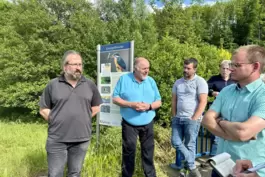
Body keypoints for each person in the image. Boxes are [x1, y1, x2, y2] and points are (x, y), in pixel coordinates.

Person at [202, 45, 265, 177]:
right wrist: (230, 135)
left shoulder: (262, 95)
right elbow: (207, 120)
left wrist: (222, 122)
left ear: (255, 67)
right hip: (220, 165)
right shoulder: (226, 91)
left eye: (237, 65)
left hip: (248, 171)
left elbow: (243, 132)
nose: (230, 69)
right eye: (231, 64)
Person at [39, 50, 102, 177]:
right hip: (57, 139)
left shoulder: (89, 84)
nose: (78, 68)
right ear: (65, 67)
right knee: (55, 174)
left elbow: (97, 106)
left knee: (75, 173)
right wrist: (56, 120)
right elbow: (43, 108)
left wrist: (83, 117)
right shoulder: (53, 85)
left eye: (80, 64)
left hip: (81, 139)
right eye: (74, 64)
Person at [112, 57, 162, 177]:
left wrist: (149, 106)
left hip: (148, 122)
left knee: (148, 152)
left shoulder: (151, 81)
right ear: (135, 68)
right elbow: (115, 98)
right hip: (129, 124)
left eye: (148, 68)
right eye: (144, 68)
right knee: (129, 153)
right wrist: (131, 104)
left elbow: (159, 101)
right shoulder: (124, 79)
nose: (147, 71)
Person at [171, 58, 208, 177]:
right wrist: (174, 115)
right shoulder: (178, 82)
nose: (185, 70)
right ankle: (192, 166)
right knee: (175, 142)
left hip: (191, 119)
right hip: (178, 118)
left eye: (188, 68)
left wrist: (194, 118)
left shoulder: (200, 82)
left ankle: (187, 171)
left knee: (190, 145)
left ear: (195, 69)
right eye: (184, 67)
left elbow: (203, 102)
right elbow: (174, 100)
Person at [207, 60, 235, 156]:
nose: (225, 71)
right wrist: (212, 93)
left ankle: (227, 154)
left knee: (229, 130)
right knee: (215, 132)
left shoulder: (234, 80)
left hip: (232, 109)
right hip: (218, 109)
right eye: (223, 68)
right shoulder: (214, 79)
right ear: (220, 68)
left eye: (227, 68)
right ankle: (214, 156)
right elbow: (206, 89)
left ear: (230, 69)